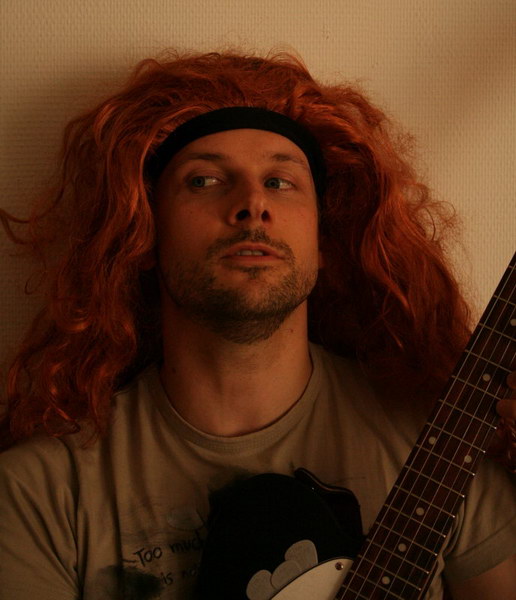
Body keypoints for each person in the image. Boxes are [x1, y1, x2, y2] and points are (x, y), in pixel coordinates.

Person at [0, 50, 514, 600]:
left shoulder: (441, 449)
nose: (251, 204)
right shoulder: (41, 493)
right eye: (203, 180)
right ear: (142, 234)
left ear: (323, 240)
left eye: (280, 181)